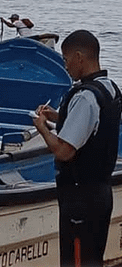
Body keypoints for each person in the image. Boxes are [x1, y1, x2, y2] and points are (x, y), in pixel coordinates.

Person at [32, 30, 121, 267]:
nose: (66, 66)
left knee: (77, 261)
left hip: (80, 200)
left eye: (66, 59)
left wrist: (43, 129)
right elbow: (93, 125)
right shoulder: (109, 89)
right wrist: (59, 117)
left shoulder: (85, 97)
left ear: (80, 57)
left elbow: (64, 151)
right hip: (101, 193)